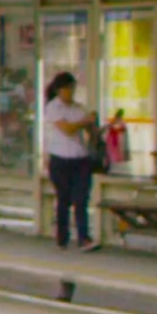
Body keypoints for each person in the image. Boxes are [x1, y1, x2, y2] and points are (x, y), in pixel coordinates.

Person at [39, 66, 102, 251]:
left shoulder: (79, 108)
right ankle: (62, 236)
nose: (71, 92)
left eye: (73, 88)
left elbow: (91, 133)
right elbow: (67, 129)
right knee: (64, 199)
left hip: (80, 159)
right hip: (60, 159)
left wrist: (94, 125)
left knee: (81, 198)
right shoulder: (53, 107)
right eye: (68, 88)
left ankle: (84, 238)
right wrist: (85, 122)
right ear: (59, 89)